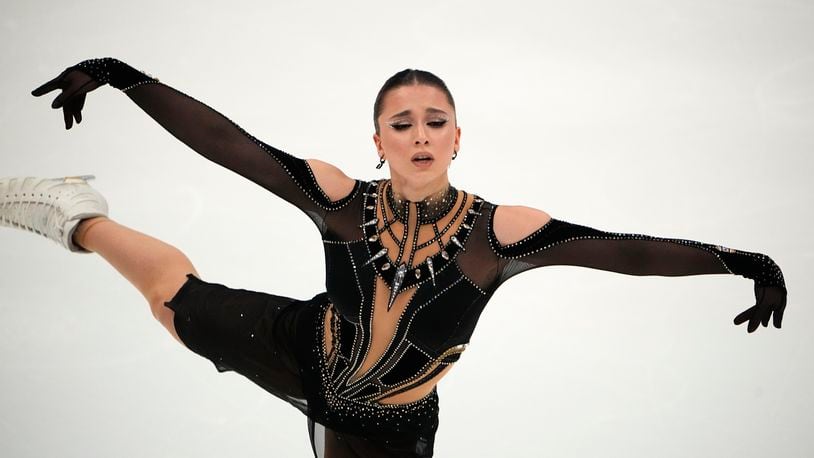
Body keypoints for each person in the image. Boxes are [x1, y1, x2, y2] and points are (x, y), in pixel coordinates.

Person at [2, 57, 788, 457]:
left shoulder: (502, 233)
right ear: (377, 141)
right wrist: (120, 74)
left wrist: (739, 259)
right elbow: (228, 146)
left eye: (434, 121)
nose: (418, 134)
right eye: (401, 123)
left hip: (393, 425)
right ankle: (76, 215)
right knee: (174, 303)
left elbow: (626, 254)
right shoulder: (340, 199)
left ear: (456, 136)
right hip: (303, 348)